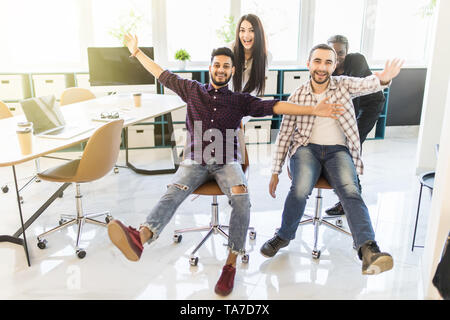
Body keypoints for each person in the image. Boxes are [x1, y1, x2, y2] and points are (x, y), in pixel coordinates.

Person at [107, 34, 344, 296]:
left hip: (227, 162)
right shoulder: (192, 90)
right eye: (216, 65)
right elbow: (161, 73)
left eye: (226, 66)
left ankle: (230, 265)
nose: (221, 70)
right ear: (210, 68)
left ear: (232, 71)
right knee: (173, 190)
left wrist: (313, 110)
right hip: (195, 160)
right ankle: (141, 238)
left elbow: (275, 106)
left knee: (242, 198)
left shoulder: (240, 100)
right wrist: (137, 52)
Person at [260, 43, 403, 275]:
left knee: (351, 190)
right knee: (300, 188)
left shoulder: (344, 84)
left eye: (328, 62)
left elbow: (367, 84)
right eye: (317, 61)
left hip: (338, 151)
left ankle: (369, 250)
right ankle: (283, 236)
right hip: (306, 149)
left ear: (334, 66)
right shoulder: (297, 95)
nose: (322, 67)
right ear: (308, 64)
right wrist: (275, 171)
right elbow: (285, 134)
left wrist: (384, 78)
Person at [325, 35, 387, 216]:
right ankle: (349, 198)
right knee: (343, 150)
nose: (337, 57)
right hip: (349, 110)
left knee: (348, 148)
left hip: (369, 107)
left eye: (341, 53)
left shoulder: (357, 60)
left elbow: (354, 91)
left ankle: (350, 200)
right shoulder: (327, 65)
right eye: (333, 53)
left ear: (347, 51)